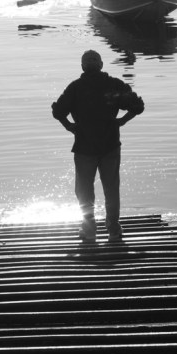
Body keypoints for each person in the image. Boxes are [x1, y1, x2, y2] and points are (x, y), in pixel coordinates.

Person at [52, 50, 145, 244]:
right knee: (111, 189)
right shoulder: (114, 85)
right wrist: (122, 121)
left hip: (85, 146)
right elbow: (137, 106)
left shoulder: (76, 87)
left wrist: (69, 126)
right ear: (101, 65)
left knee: (84, 191)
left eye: (90, 60)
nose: (91, 62)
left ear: (83, 67)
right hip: (109, 145)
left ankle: (89, 230)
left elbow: (59, 111)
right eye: (92, 60)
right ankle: (113, 230)